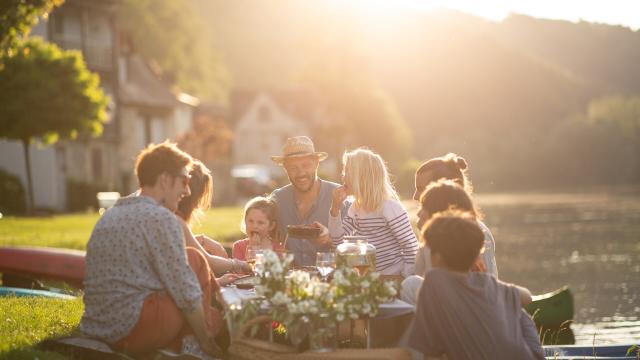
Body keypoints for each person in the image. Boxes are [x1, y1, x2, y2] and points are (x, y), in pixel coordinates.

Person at [80, 142, 222, 357]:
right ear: (165, 180)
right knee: (195, 260)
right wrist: (207, 339)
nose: (188, 190)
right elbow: (186, 292)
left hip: (98, 326)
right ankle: (194, 350)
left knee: (206, 310)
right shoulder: (162, 219)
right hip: (132, 328)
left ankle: (176, 347)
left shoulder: (109, 216)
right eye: (184, 180)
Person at [407, 210, 544, 360]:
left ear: (437, 256)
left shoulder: (435, 281)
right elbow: (527, 297)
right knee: (519, 313)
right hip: (530, 355)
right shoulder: (486, 283)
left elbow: (430, 355)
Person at [329, 148, 419, 277]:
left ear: (362, 177)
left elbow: (410, 246)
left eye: (347, 171)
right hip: (372, 279)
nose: (342, 175)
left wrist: (404, 277)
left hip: (394, 276)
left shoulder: (390, 207)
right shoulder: (355, 209)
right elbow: (337, 242)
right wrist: (335, 208)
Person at [401, 180, 486, 304]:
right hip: (450, 301)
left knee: (410, 284)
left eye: (424, 207)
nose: (418, 213)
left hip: (466, 302)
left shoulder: (475, 239)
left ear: (438, 213)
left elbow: (487, 282)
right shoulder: (428, 245)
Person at [413, 153, 498, 277]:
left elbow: (486, 288)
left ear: (441, 190)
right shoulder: (430, 230)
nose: (415, 196)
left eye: (421, 189)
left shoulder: (477, 234)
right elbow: (419, 277)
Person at [176, 160, 250, 282]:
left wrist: (202, 240)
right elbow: (208, 261)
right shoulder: (174, 219)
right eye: (198, 199)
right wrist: (240, 264)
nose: (196, 206)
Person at [270, 136, 338, 266]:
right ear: (285, 168)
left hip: (331, 281)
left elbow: (358, 247)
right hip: (290, 283)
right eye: (293, 168)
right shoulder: (277, 200)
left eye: (306, 165)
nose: (301, 173)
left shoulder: (339, 197)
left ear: (317, 163)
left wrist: (330, 240)